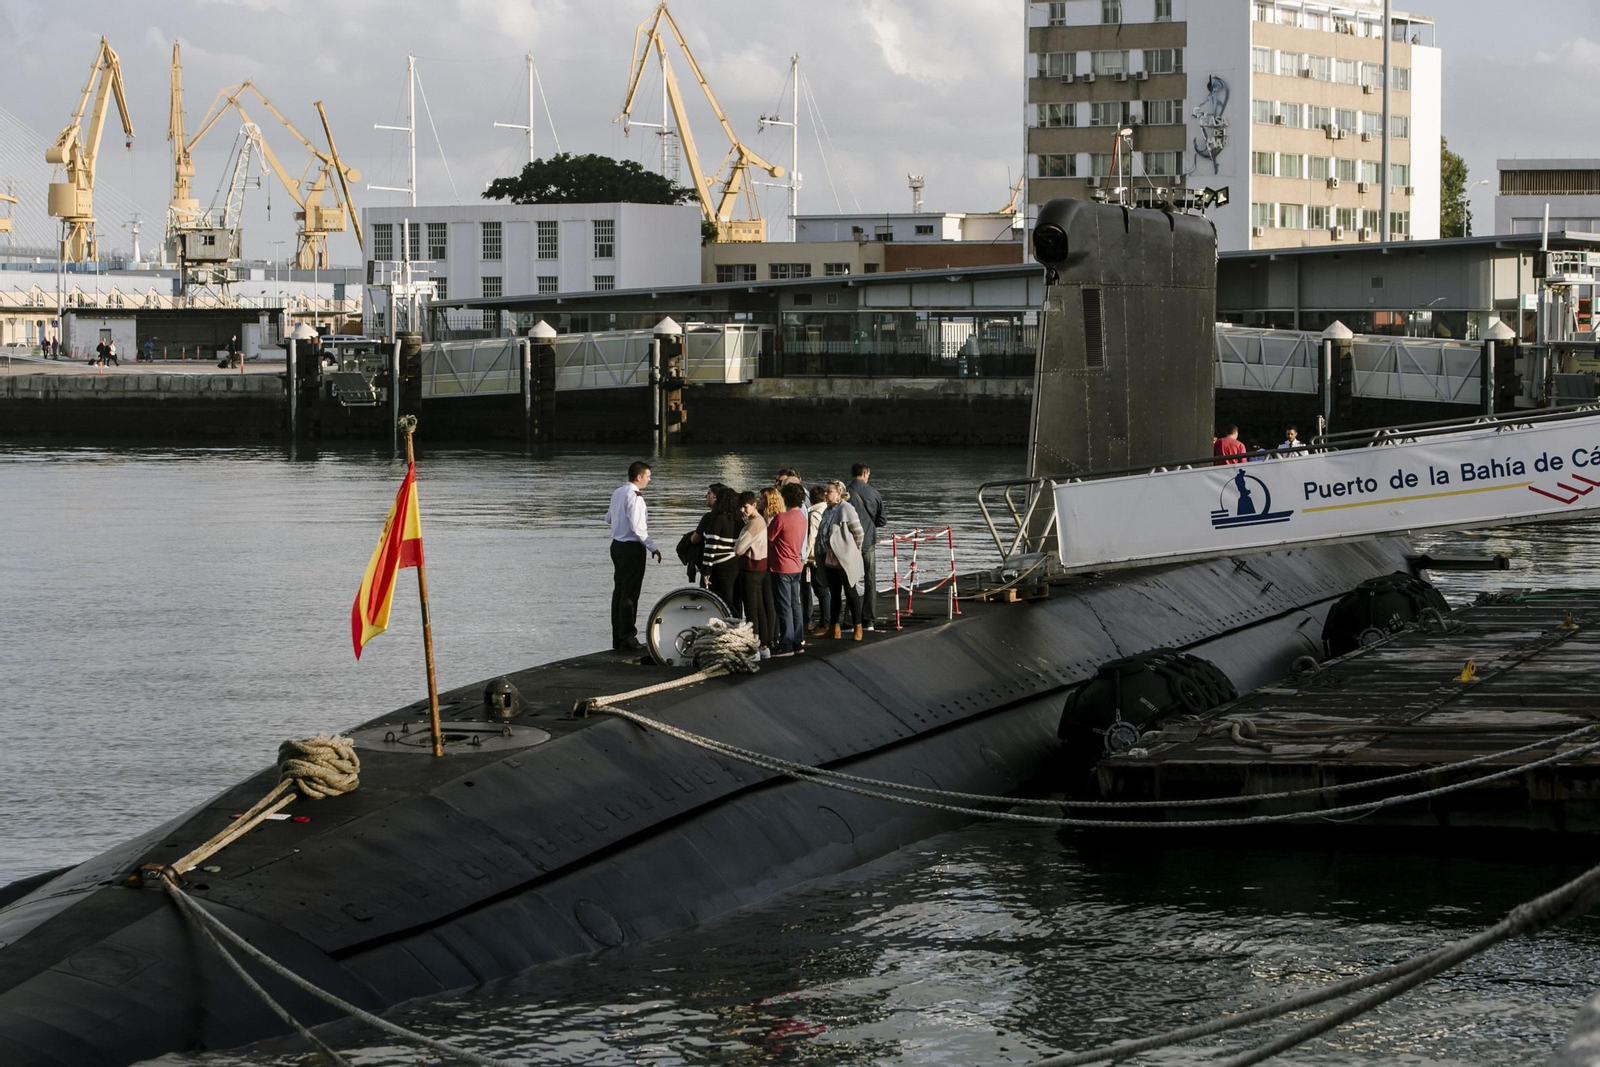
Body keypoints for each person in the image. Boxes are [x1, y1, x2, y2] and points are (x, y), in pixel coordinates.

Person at [605, 461, 661, 652]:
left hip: (616, 546)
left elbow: (608, 518)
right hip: (631, 548)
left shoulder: (617, 492)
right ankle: (628, 637)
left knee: (619, 591)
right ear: (638, 477)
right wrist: (652, 547)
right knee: (630, 594)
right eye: (648, 476)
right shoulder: (636, 497)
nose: (649, 480)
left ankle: (617, 636)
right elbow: (638, 528)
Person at [814, 479, 866, 641]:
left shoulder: (846, 508)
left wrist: (852, 550)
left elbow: (859, 532)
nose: (826, 494)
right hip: (829, 558)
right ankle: (833, 628)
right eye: (826, 491)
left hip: (843, 558)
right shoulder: (827, 509)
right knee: (835, 593)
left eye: (829, 491)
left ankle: (858, 627)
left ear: (839, 493)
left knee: (851, 592)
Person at [733, 490, 774, 658]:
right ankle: (764, 646)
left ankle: (754, 647)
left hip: (750, 569)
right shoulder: (761, 521)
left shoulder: (752, 524)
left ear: (754, 505)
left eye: (746, 507)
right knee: (759, 608)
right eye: (741, 508)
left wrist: (738, 541)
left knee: (751, 609)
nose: (743, 511)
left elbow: (739, 549)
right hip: (761, 568)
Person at [846, 463, 886, 629]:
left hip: (849, 543)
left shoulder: (845, 492)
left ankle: (850, 618)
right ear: (865, 473)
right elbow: (882, 520)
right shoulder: (873, 493)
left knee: (849, 581)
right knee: (870, 580)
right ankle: (869, 619)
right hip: (868, 541)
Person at [770, 483, 807, 655]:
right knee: (795, 604)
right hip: (796, 565)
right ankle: (797, 641)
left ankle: (786, 643)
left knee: (784, 606)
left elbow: (767, 537)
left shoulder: (781, 518)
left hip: (781, 566)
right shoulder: (801, 517)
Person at [700, 487, 742, 609]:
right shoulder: (739, 520)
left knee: (720, 600)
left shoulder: (718, 519)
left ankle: (722, 623)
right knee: (734, 599)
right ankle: (737, 623)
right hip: (735, 563)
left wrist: (706, 570)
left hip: (720, 565)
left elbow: (711, 546)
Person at [805, 484, 829, 632]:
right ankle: (826, 620)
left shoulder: (814, 514)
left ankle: (824, 622)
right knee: (824, 589)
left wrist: (805, 556)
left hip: (815, 558)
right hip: (825, 554)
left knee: (820, 590)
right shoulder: (827, 510)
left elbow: (812, 537)